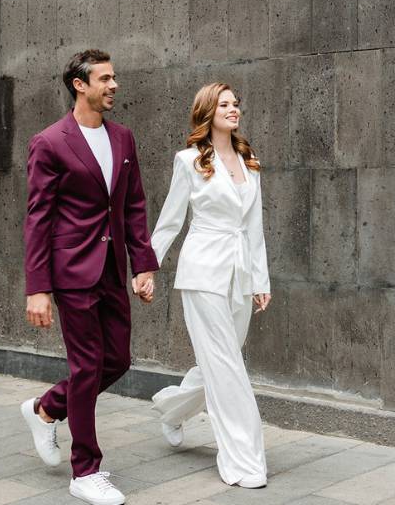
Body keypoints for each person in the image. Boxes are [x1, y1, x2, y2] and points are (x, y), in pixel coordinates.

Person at [22, 49, 159, 505]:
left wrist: (143, 264)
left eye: (114, 77)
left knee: (116, 360)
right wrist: (38, 287)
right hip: (70, 272)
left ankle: (47, 409)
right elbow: (38, 219)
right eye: (105, 78)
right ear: (80, 84)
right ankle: (86, 470)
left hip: (112, 269)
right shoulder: (50, 141)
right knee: (86, 366)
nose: (114, 84)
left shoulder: (123, 138)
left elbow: (133, 205)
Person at [149, 82, 271, 489]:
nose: (234, 109)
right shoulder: (188, 161)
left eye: (236, 103)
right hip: (202, 273)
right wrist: (147, 266)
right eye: (224, 104)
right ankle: (244, 458)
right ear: (207, 111)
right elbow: (170, 220)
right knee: (227, 368)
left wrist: (260, 279)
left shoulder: (248, 160)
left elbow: (253, 227)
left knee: (219, 362)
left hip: (239, 274)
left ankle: (171, 410)